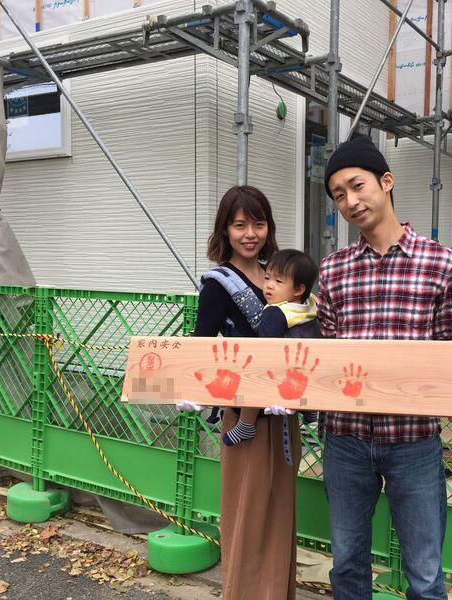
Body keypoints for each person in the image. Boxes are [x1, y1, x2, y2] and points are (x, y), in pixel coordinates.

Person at [316, 136, 452, 600]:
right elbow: (325, 352)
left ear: (386, 182)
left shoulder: (439, 262)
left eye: (357, 186)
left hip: (414, 441)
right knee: (348, 563)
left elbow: (450, 343)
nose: (350, 201)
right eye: (339, 195)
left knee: (424, 573)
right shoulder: (333, 270)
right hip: (345, 438)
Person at [183, 185, 300, 600]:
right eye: (239, 225)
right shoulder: (218, 285)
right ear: (225, 231)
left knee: (280, 513)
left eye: (258, 224)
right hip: (244, 422)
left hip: (283, 416)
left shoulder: (278, 276)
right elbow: (202, 347)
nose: (250, 234)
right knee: (246, 515)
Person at [222, 248, 321, 453]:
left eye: (278, 281)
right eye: (267, 278)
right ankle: (309, 410)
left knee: (253, 373)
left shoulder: (276, 313)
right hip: (308, 369)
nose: (269, 285)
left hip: (283, 370)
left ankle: (246, 424)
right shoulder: (309, 304)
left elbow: (265, 351)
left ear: (298, 289)